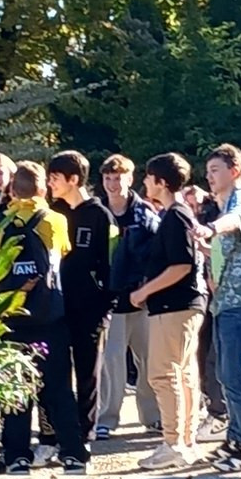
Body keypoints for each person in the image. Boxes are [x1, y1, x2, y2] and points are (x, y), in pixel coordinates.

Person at [0, 163, 83, 473]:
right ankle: (73, 453)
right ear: (44, 188)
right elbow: (64, 250)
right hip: (50, 316)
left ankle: (16, 456)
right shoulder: (56, 220)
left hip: (11, 317)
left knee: (15, 390)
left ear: (11, 190)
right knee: (59, 387)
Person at [129, 152, 207, 468]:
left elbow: (181, 265)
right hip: (186, 305)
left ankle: (173, 443)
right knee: (184, 373)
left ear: (161, 182)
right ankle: (185, 441)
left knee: (164, 373)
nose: (145, 182)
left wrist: (144, 291)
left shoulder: (175, 216)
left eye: (149, 177)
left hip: (174, 306)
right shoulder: (181, 214)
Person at [197, 143, 241, 472]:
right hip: (227, 301)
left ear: (234, 171)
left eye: (215, 170)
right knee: (228, 373)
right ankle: (237, 438)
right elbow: (224, 248)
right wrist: (205, 247)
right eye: (208, 171)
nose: (209, 177)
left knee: (236, 372)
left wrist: (211, 228)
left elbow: (234, 222)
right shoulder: (227, 203)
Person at [49, 150, 115, 453]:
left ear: (73, 180)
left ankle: (85, 438)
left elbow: (111, 264)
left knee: (88, 374)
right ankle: (64, 437)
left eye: (55, 178)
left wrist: (105, 303)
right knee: (59, 374)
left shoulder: (100, 215)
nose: (50, 183)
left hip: (91, 310)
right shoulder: (53, 212)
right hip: (59, 308)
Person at [97, 154, 161, 439]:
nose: (113, 183)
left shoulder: (145, 213)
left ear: (129, 178)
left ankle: (153, 416)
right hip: (111, 301)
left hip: (143, 299)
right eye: (108, 178)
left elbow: (156, 254)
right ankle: (107, 419)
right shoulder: (98, 213)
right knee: (111, 364)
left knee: (148, 361)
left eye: (118, 178)